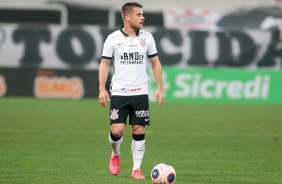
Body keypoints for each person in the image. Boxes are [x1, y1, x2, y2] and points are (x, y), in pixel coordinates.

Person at [98, 2, 164, 179]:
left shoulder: (147, 38)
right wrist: (102, 89)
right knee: (117, 130)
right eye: (138, 14)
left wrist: (160, 87)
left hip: (140, 92)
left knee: (138, 129)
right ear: (127, 17)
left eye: (143, 14)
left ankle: (136, 169)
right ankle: (115, 154)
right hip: (119, 92)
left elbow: (155, 63)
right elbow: (105, 63)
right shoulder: (113, 39)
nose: (142, 17)